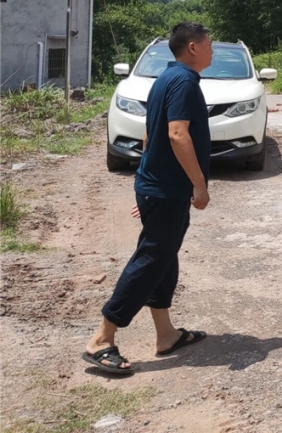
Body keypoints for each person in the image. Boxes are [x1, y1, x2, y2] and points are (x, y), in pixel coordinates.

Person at [82, 22, 213, 374]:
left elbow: (147, 134)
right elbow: (176, 134)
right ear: (193, 47)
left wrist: (146, 183)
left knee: (164, 257)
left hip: (158, 187)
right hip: (167, 189)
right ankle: (102, 338)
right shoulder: (184, 81)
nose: (212, 51)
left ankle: (166, 334)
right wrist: (199, 184)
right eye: (209, 45)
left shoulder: (165, 78)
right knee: (152, 259)